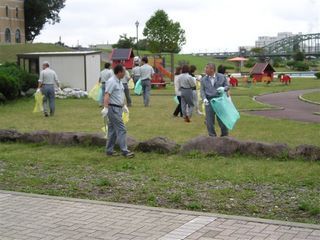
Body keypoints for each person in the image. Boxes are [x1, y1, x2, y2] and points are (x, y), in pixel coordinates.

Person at [101, 64, 134, 158]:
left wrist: (124, 106)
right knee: (121, 129)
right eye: (124, 72)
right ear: (119, 72)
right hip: (113, 109)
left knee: (112, 131)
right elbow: (107, 94)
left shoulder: (119, 81)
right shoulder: (112, 81)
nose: (125, 73)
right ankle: (125, 151)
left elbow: (120, 95)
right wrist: (106, 108)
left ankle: (109, 150)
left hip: (118, 108)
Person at [200, 63, 230, 137]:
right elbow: (202, 90)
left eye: (206, 68)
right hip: (209, 102)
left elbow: (228, 86)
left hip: (220, 101)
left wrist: (224, 89)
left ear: (212, 69)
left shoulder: (222, 77)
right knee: (209, 121)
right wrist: (204, 98)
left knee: (222, 119)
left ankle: (224, 135)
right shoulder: (203, 79)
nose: (205, 69)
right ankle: (212, 136)